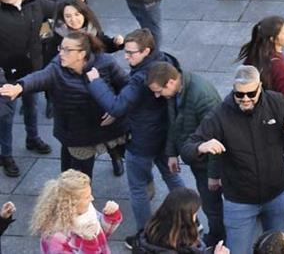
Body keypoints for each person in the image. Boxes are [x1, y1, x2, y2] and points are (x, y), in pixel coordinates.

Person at [181, 65, 284, 254]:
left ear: (260, 87)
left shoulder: (276, 103)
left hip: (276, 194)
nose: (245, 99)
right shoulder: (220, 115)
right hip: (239, 201)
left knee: (278, 249)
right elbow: (187, 149)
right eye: (239, 94)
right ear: (233, 90)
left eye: (251, 93)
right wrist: (200, 147)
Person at [84, 28, 185, 244]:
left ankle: (144, 235)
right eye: (125, 51)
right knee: (171, 176)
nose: (126, 57)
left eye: (131, 53)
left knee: (138, 187)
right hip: (164, 133)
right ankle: (189, 220)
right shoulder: (165, 60)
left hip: (143, 138)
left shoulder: (141, 78)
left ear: (146, 51)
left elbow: (116, 106)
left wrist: (96, 82)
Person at [2, 27, 129, 177]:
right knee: (77, 178)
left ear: (82, 54)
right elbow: (39, 78)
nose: (61, 53)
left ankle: (115, 156)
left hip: (110, 127)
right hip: (78, 133)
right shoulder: (57, 68)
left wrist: (116, 110)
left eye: (67, 50)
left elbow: (128, 87)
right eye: (61, 48)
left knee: (126, 155)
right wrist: (19, 87)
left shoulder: (106, 62)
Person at [235, 16, 284, 227]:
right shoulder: (279, 66)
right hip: (280, 122)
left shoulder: (254, 56)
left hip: (256, 121)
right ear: (273, 39)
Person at [145, 61, 225, 246]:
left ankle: (219, 238)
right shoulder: (176, 91)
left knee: (212, 204)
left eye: (158, 91)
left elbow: (216, 138)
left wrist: (214, 175)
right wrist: (172, 153)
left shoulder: (201, 96)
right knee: (210, 203)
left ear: (171, 82)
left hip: (207, 162)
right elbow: (175, 123)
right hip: (197, 158)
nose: (157, 95)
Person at [0, 0, 57, 178]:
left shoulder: (36, 4)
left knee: (31, 105)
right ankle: (6, 154)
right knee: (6, 114)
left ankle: (32, 137)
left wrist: (78, 2)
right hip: (6, 72)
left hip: (32, 67)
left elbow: (61, 8)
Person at [30, 169, 122, 254]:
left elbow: (103, 233)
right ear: (72, 203)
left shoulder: (87, 211)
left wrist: (111, 216)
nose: (92, 198)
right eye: (87, 197)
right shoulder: (55, 237)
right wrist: (88, 244)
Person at [134, 187, 215, 254]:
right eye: (194, 214)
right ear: (185, 218)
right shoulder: (184, 246)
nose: (196, 218)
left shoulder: (151, 229)